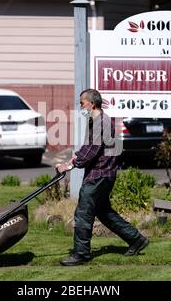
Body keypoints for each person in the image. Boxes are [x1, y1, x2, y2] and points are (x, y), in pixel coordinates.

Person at [56, 89, 149, 266]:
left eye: (82, 103)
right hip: (104, 173)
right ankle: (136, 239)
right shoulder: (97, 121)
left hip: (99, 173)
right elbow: (88, 148)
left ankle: (81, 254)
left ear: (92, 103)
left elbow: (91, 151)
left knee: (83, 212)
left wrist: (70, 165)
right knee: (104, 212)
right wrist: (72, 159)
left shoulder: (101, 123)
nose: (81, 106)